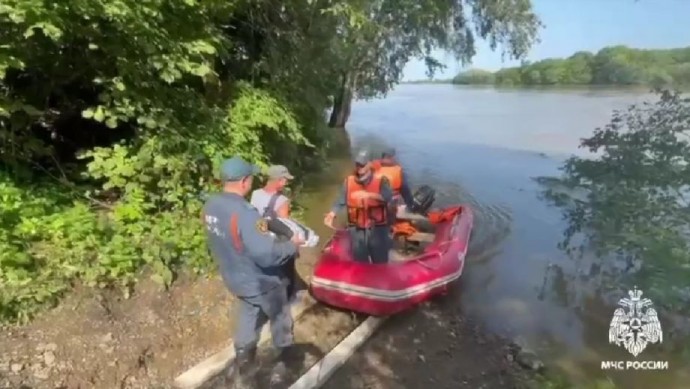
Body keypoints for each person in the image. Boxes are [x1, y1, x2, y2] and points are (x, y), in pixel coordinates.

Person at [202, 157, 304, 388]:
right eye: (251, 178)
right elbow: (266, 255)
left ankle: (244, 364)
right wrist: (292, 245)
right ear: (244, 182)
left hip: (234, 277)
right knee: (280, 317)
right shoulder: (245, 212)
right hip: (262, 281)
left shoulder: (212, 205)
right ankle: (286, 362)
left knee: (249, 313)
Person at [324, 149, 394, 264]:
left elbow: (387, 198)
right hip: (356, 230)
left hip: (377, 230)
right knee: (360, 262)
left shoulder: (381, 181)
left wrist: (368, 195)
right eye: (357, 164)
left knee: (380, 261)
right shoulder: (349, 181)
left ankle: (379, 280)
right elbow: (340, 200)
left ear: (370, 164)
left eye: (363, 164)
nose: (359, 167)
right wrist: (332, 213)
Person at [250, 164, 301, 304]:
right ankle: (289, 299)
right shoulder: (282, 201)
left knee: (269, 271)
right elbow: (285, 226)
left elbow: (255, 218)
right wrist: (295, 244)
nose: (286, 183)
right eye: (285, 179)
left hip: (262, 239)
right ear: (279, 180)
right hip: (279, 242)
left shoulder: (255, 194)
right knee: (287, 271)